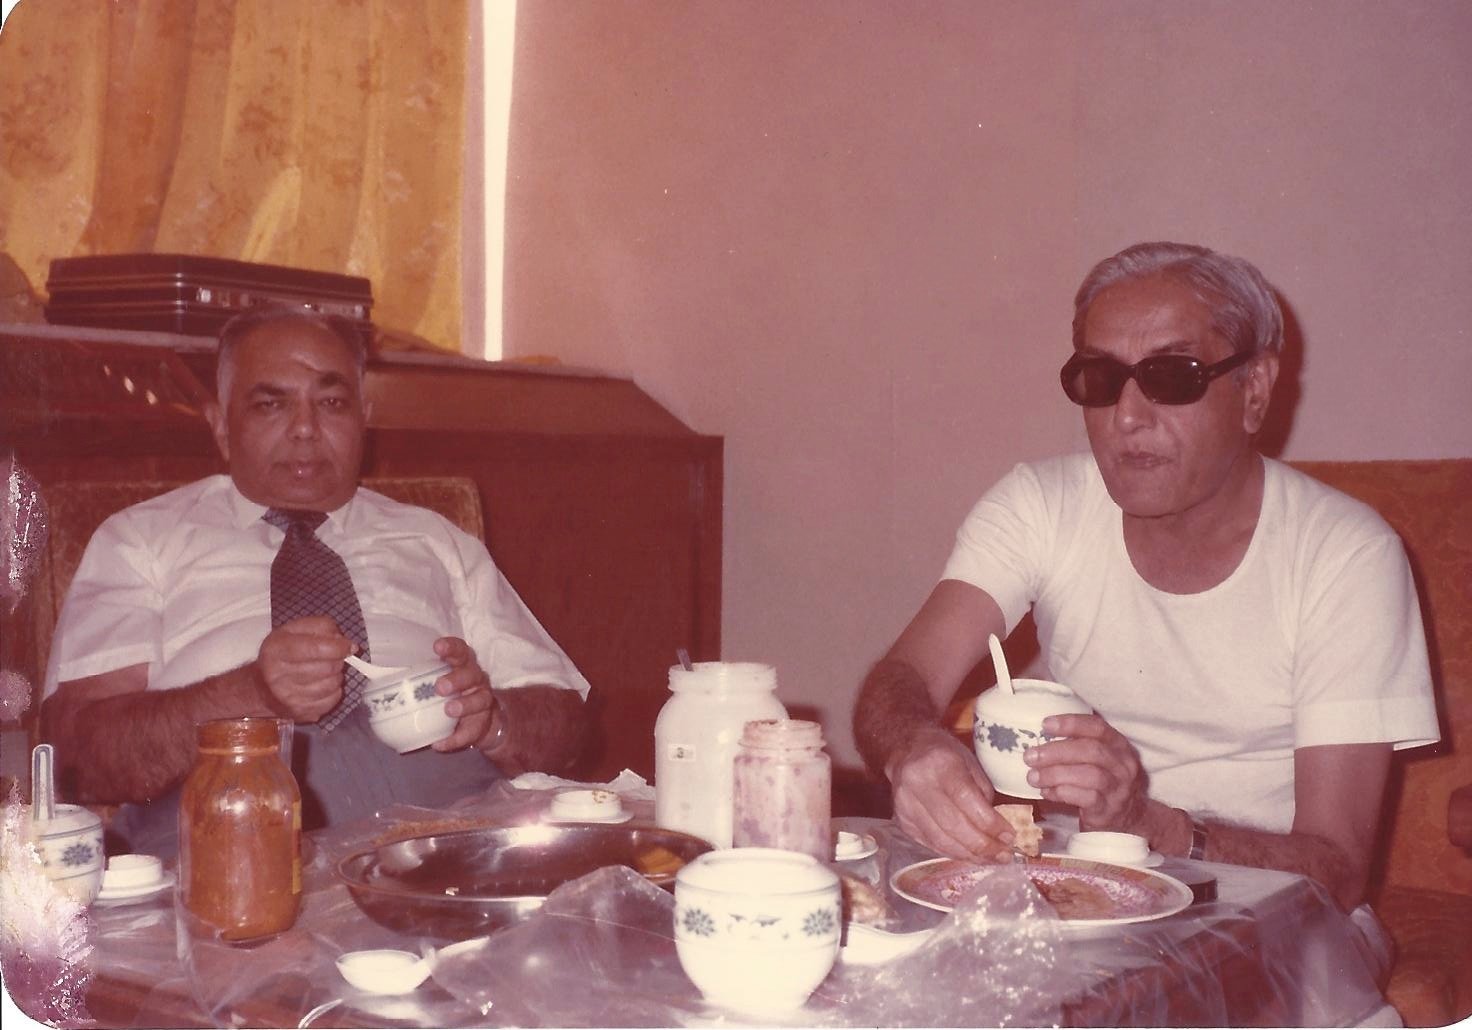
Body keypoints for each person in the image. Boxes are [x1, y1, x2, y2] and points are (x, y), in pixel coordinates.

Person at [854, 241, 1439, 913]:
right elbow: (898, 681)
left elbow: (1337, 871)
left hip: (1274, 922)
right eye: (1100, 381)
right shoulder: (1041, 506)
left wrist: (1147, 825)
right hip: (1075, 904)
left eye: (1171, 376)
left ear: (1254, 391)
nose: (1127, 417)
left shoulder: (1345, 556)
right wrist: (913, 749)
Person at [41, 307, 590, 853]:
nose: (305, 429)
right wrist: (251, 694)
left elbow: (567, 723)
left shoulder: (436, 541)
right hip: (229, 845)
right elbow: (76, 757)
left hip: (447, 842)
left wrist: (493, 717)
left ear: (363, 418)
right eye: (270, 404)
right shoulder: (142, 539)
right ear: (219, 423)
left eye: (331, 403)